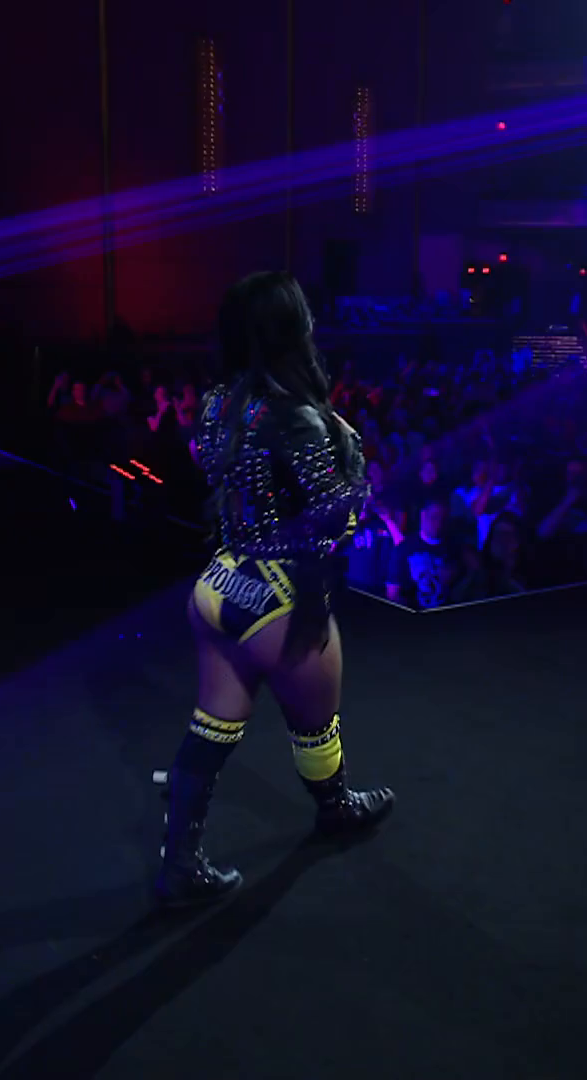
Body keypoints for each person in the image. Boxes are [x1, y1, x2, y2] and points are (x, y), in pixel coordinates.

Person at [155, 271, 396, 907]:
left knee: (211, 727)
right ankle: (336, 808)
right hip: (284, 596)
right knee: (315, 726)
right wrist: (352, 453)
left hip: (220, 583)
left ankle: (178, 865)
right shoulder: (301, 418)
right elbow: (336, 520)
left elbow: (212, 471)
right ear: (295, 328)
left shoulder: (218, 402)